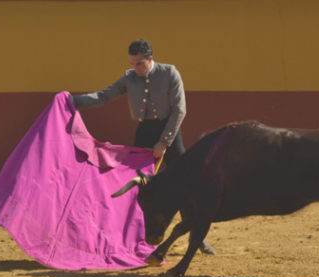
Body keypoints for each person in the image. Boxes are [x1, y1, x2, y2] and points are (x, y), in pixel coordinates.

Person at [71, 39, 216, 255]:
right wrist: (71, 101)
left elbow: (179, 110)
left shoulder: (170, 73)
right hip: (144, 133)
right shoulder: (130, 78)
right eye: (132, 64)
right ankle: (133, 236)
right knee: (135, 184)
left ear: (150, 59)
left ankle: (197, 235)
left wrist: (164, 142)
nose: (135, 68)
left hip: (169, 131)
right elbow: (103, 97)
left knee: (185, 183)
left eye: (139, 63)